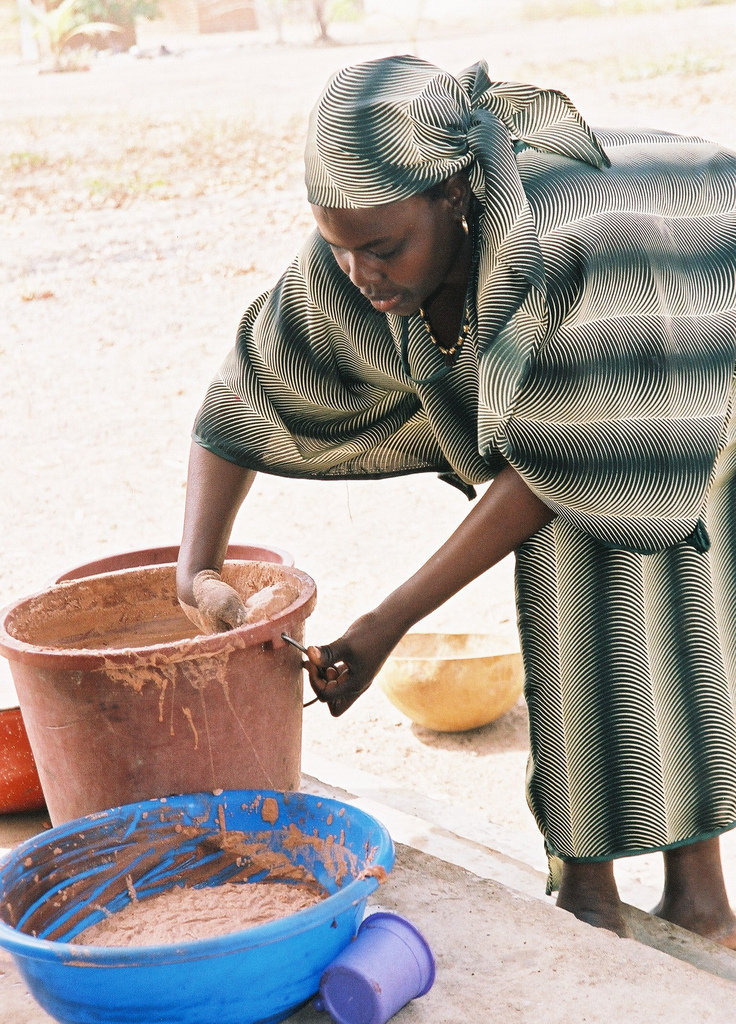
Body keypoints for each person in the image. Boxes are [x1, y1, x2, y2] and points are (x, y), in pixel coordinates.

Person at [176, 54, 736, 943]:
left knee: (629, 560)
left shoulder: (561, 246)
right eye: (337, 244)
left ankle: (650, 895)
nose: (359, 272)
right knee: (596, 554)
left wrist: (384, 625)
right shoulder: (359, 246)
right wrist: (195, 570)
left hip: (686, 283)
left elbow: (549, 477)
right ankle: (634, 892)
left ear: (453, 196)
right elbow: (248, 389)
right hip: (604, 331)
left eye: (382, 250)